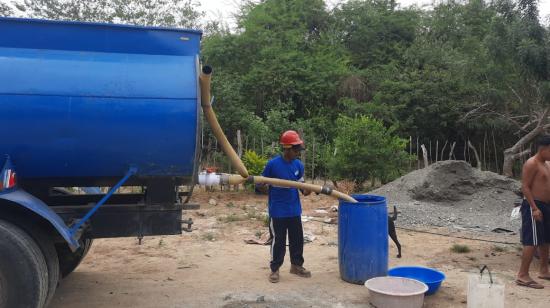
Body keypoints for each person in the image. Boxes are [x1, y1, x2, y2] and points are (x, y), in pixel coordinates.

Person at [258, 130, 312, 283]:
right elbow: (261, 186)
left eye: (298, 150)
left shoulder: (298, 165)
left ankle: (296, 266)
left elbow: (303, 189)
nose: (297, 153)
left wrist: (309, 189)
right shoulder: (272, 165)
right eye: (296, 150)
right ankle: (275, 269)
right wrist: (262, 185)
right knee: (278, 241)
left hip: (294, 210)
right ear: (287, 148)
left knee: (297, 240)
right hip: (278, 211)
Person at [516, 135, 550, 289]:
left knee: (545, 239)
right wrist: (534, 208)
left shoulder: (547, 164)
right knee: (533, 241)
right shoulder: (532, 163)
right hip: (533, 205)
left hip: (546, 206)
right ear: (544, 149)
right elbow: (525, 186)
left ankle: (544, 270)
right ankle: (522, 275)